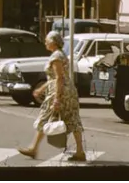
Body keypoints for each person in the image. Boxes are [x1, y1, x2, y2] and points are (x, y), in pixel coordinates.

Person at [19, 30, 87, 161]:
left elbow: (59, 78)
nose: (45, 42)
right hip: (67, 92)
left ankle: (33, 148)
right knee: (72, 119)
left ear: (53, 42)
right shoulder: (60, 54)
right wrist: (41, 89)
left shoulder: (56, 56)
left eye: (46, 40)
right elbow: (55, 78)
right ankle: (80, 151)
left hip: (61, 92)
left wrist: (57, 98)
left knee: (46, 117)